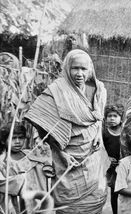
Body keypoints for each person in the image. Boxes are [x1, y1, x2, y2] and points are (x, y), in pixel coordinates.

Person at [25, 49, 110, 214]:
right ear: (67, 68)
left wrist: (98, 134)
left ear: (90, 69)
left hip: (93, 157)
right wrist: (61, 153)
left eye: (84, 69)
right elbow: (43, 128)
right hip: (67, 161)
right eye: (75, 68)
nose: (79, 73)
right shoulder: (56, 92)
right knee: (69, 206)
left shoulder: (99, 90)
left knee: (96, 200)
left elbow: (98, 117)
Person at [0, 122, 53, 213]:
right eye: (13, 138)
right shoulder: (3, 162)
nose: (17, 141)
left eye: (21, 138)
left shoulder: (31, 155)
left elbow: (46, 170)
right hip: (15, 204)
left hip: (37, 201)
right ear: (3, 140)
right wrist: (22, 181)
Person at [103, 104, 124, 214]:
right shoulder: (104, 133)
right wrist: (108, 159)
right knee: (114, 192)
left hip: (124, 165)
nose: (112, 118)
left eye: (115, 116)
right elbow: (101, 149)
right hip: (111, 167)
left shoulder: (125, 132)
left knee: (127, 190)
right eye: (109, 116)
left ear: (121, 118)